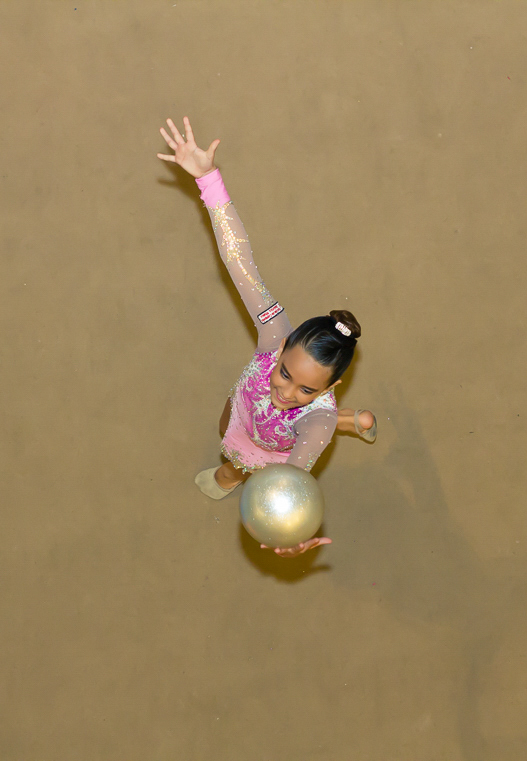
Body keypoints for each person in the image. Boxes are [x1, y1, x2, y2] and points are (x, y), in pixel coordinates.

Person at [157, 116, 377, 558]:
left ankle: (238, 471)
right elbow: (240, 264)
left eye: (308, 389)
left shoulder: (314, 421)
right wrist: (208, 180)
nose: (285, 391)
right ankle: (355, 421)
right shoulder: (274, 332)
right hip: (243, 415)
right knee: (230, 432)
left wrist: (293, 533)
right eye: (284, 372)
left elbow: (294, 479)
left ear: (331, 388)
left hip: (271, 447)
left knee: (239, 466)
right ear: (281, 348)